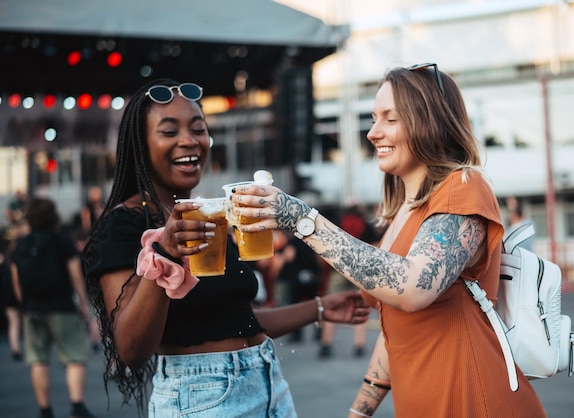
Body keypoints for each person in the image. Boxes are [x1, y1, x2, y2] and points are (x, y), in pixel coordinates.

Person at [232, 63, 547, 417]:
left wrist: (301, 219)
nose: (372, 132)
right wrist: (361, 410)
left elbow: (413, 288)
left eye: (390, 119)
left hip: (471, 398)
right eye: (372, 118)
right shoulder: (406, 211)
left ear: (430, 122)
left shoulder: (463, 188)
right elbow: (394, 325)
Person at [81, 79, 370, 417]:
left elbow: (236, 324)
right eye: (170, 131)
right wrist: (165, 253)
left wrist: (320, 308)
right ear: (141, 145)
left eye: (198, 129)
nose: (189, 141)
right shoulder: (125, 224)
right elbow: (130, 350)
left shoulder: (210, 215)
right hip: (202, 397)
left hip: (268, 384)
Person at [9, 197, 95, 418]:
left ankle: (45, 409)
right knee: (74, 358)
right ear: (53, 215)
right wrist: (82, 301)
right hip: (62, 307)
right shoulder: (61, 241)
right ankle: (77, 405)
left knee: (38, 360)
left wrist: (25, 303)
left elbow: (16, 280)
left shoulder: (21, 244)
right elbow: (75, 274)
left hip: (33, 309)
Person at [319, 204, 379, 359]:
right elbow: (374, 246)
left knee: (331, 306)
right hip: (359, 271)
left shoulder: (337, 221)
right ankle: (359, 345)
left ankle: (326, 343)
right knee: (359, 306)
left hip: (338, 269)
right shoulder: (366, 225)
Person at [276, 233, 323, 342]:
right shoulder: (312, 241)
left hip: (296, 277)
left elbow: (290, 256)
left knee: (295, 306)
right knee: (315, 305)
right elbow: (318, 259)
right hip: (311, 276)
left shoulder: (292, 241)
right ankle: (318, 331)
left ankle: (296, 333)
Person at [1, 238, 22, 361]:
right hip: (18, 294)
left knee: (13, 323)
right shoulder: (21, 260)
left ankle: (15, 349)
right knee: (18, 322)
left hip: (6, 295)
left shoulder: (4, 261)